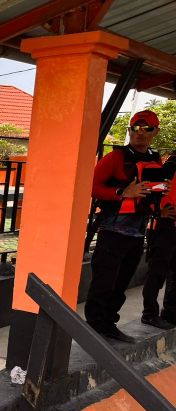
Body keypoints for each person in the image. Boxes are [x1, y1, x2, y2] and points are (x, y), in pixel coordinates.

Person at [85, 109, 164, 341]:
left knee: (121, 284)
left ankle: (108, 324)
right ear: (129, 130)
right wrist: (122, 192)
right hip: (112, 231)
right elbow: (91, 186)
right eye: (135, 129)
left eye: (146, 129)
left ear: (155, 131)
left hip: (138, 233)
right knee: (104, 282)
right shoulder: (116, 158)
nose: (140, 133)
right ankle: (95, 327)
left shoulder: (154, 159)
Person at [141, 154, 176, 327]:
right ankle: (149, 313)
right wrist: (158, 212)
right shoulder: (171, 163)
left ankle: (170, 313)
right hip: (164, 225)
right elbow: (151, 191)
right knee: (157, 271)